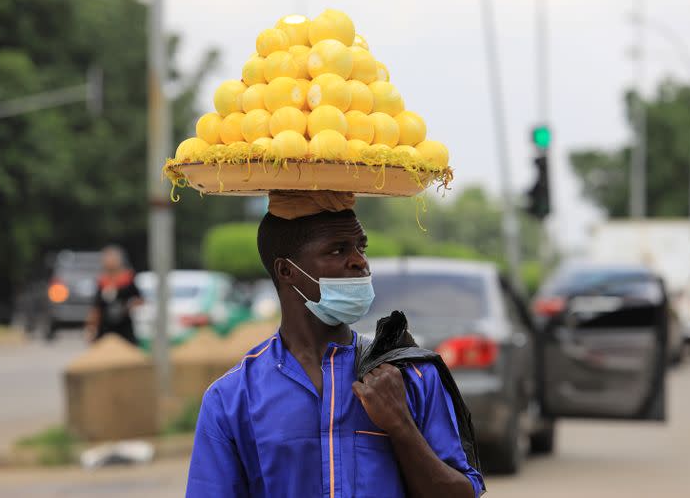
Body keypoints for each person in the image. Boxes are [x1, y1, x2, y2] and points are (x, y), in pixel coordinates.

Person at [186, 192, 484, 497]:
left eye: (360, 247)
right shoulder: (234, 397)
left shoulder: (412, 375)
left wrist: (400, 425)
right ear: (286, 271)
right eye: (338, 250)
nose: (360, 261)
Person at [85, 245, 142, 346]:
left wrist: (129, 306)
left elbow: (139, 299)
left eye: (112, 259)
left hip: (124, 327)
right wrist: (91, 328)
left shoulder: (128, 279)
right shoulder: (102, 281)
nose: (108, 262)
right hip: (105, 328)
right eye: (106, 259)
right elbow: (96, 307)